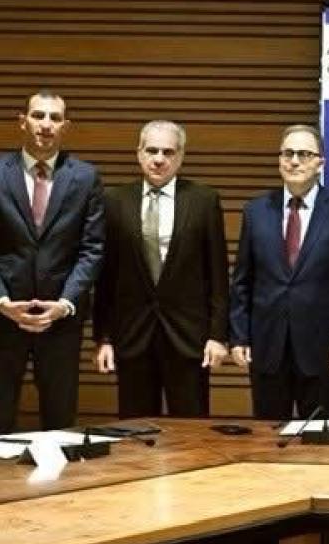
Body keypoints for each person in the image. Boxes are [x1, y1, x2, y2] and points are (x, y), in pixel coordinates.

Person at [0, 90, 104, 435]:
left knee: (60, 421)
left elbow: (93, 249)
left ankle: (59, 491)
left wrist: (66, 304)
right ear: (22, 121)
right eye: (38, 115)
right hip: (3, 318)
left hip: (61, 322)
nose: (46, 124)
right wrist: (2, 302)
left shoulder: (85, 178)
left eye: (55, 118)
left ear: (65, 126)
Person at [92, 120, 228, 417]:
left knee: (192, 434)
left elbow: (217, 274)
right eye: (151, 150)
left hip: (188, 338)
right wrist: (104, 339)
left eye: (168, 152)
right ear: (138, 153)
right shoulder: (114, 201)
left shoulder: (204, 200)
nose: (159, 159)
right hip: (132, 337)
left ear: (180, 157)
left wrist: (218, 335)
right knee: (135, 432)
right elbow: (105, 277)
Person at [229, 125, 329, 420]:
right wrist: (239, 337)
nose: (294, 161)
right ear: (279, 161)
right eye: (288, 153)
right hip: (267, 347)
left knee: (319, 444)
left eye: (304, 154)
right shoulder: (255, 211)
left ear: (320, 163)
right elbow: (242, 281)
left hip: (322, 350)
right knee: (266, 440)